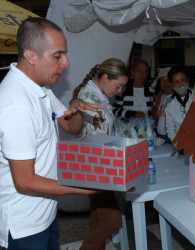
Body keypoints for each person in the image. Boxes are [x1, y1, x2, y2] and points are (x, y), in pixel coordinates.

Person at [0, 17, 104, 249]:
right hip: (24, 223)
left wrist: (77, 106)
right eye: (57, 56)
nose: (66, 63)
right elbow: (25, 182)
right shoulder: (16, 106)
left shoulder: (40, 90)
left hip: (45, 212)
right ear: (31, 56)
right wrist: (83, 188)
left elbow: (71, 127)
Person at [72, 58, 129, 249]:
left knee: (98, 216)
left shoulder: (98, 96)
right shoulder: (90, 98)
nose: (119, 91)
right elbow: (98, 141)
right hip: (96, 168)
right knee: (112, 221)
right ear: (105, 78)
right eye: (118, 85)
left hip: (96, 166)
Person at [164, 66, 193, 141]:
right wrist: (178, 144)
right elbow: (170, 129)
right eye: (176, 82)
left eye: (183, 80)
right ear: (172, 84)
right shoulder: (169, 104)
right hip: (181, 143)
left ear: (188, 80)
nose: (181, 84)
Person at [151, 67, 173, 144]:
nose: (166, 83)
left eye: (168, 80)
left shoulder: (179, 97)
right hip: (161, 137)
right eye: (163, 81)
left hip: (173, 137)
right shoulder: (162, 96)